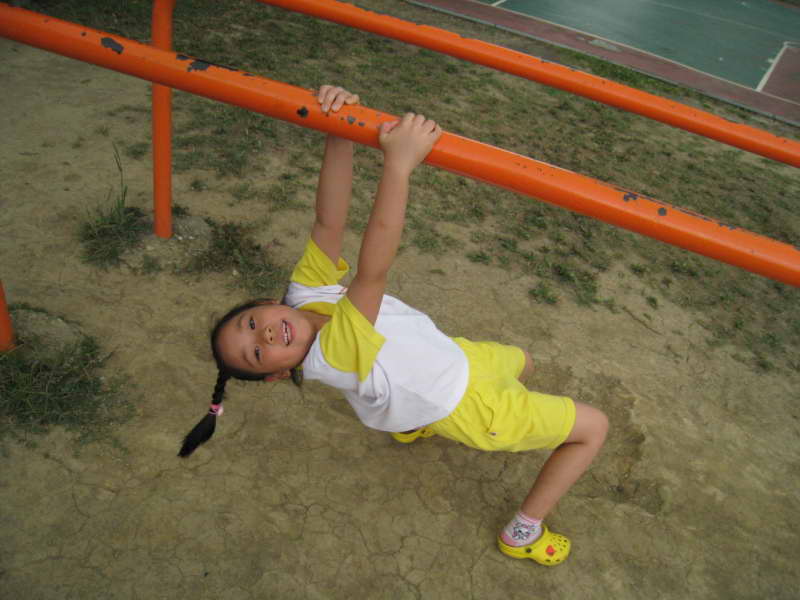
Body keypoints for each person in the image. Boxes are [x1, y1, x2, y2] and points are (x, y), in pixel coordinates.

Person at [179, 85, 608, 566]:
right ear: (280, 373)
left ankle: (413, 421)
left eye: (252, 322)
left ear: (264, 303)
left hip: (453, 356)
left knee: (524, 362)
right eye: (257, 353)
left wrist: (338, 131)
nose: (263, 335)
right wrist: (398, 166)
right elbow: (372, 269)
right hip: (467, 405)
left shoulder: (304, 292)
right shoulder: (332, 352)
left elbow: (328, 221)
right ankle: (523, 530)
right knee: (594, 427)